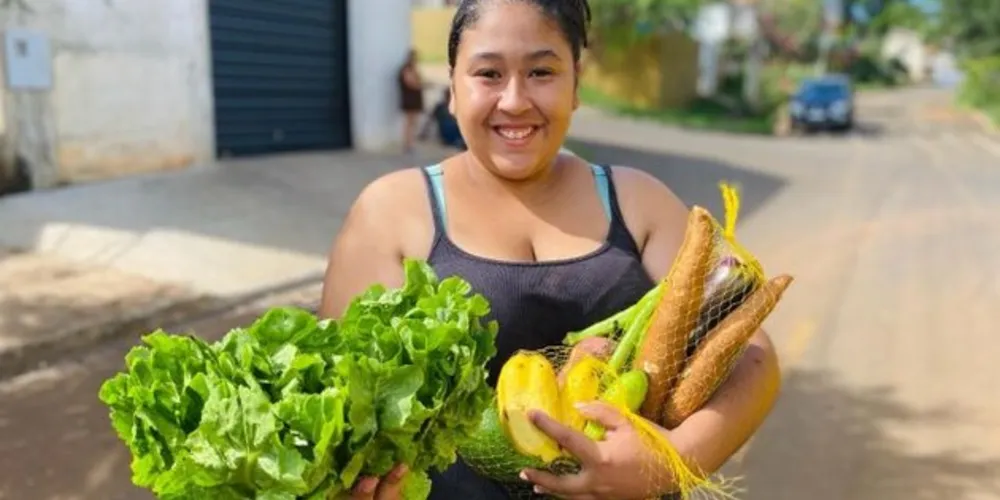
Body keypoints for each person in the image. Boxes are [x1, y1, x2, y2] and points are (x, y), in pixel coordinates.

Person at [318, 0, 782, 498]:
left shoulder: (637, 202)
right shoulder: (392, 212)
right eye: (488, 73)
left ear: (575, 84)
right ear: (452, 87)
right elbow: (337, 401)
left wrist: (671, 460)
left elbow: (752, 357)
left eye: (541, 71)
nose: (515, 100)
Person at [399, 48, 425, 153]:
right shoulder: (407, 69)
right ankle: (408, 144)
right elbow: (411, 83)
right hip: (410, 99)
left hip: (414, 99)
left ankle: (410, 142)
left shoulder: (412, 69)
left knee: (413, 122)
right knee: (410, 122)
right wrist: (422, 85)